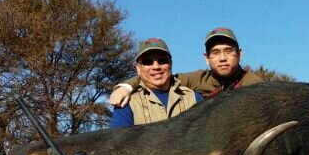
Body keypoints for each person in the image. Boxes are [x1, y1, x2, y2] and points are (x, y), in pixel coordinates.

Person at [110, 27, 263, 107]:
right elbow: (158, 76)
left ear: (239, 54)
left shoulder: (255, 84)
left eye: (228, 51)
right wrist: (127, 87)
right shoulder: (197, 79)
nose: (222, 58)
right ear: (206, 58)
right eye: (215, 53)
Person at [109, 38, 202, 127]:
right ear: (138, 68)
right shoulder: (127, 103)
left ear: (171, 64)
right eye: (148, 62)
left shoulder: (194, 98)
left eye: (162, 60)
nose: (156, 67)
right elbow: (117, 141)